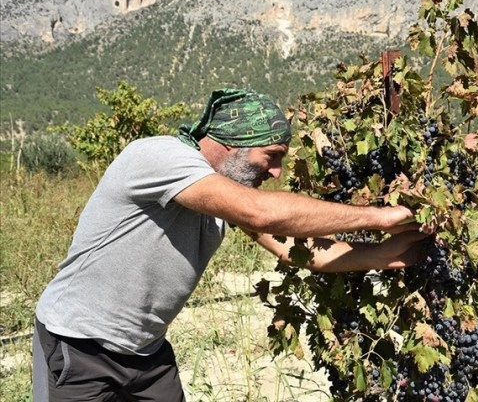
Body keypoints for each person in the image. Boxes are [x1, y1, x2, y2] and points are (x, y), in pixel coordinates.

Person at [32, 89, 428, 401]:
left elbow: (297, 251)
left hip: (147, 355)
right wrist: (380, 217)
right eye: (271, 156)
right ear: (233, 142)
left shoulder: (224, 191)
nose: (275, 172)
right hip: (79, 348)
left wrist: (392, 254)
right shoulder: (158, 156)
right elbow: (260, 213)